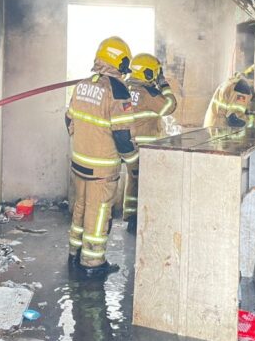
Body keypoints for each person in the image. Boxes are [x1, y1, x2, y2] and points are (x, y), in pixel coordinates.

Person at [66, 36, 138, 278]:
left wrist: (84, 143)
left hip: (79, 163)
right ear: (120, 61)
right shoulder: (117, 90)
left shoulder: (82, 85)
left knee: (80, 207)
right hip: (102, 170)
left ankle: (74, 253)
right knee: (98, 215)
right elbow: (123, 136)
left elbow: (69, 119)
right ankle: (92, 263)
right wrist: (134, 163)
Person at [123, 53, 177, 228]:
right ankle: (144, 222)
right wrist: (164, 84)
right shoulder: (147, 93)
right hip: (145, 148)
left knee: (133, 181)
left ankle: (131, 217)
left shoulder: (124, 88)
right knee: (146, 184)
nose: (156, 76)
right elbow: (170, 106)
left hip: (128, 145)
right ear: (147, 73)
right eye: (155, 72)